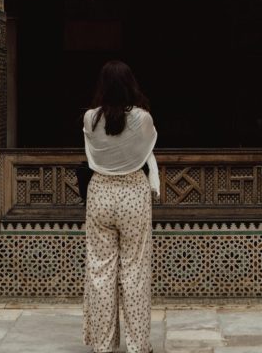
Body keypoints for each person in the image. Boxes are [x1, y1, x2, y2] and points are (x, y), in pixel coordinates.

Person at [83, 60, 159, 353]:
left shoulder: (90, 118)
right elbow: (145, 150)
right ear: (130, 85)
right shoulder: (143, 119)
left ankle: (103, 345)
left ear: (103, 86)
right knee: (135, 270)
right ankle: (138, 345)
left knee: (100, 272)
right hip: (132, 195)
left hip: (100, 193)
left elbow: (94, 152)